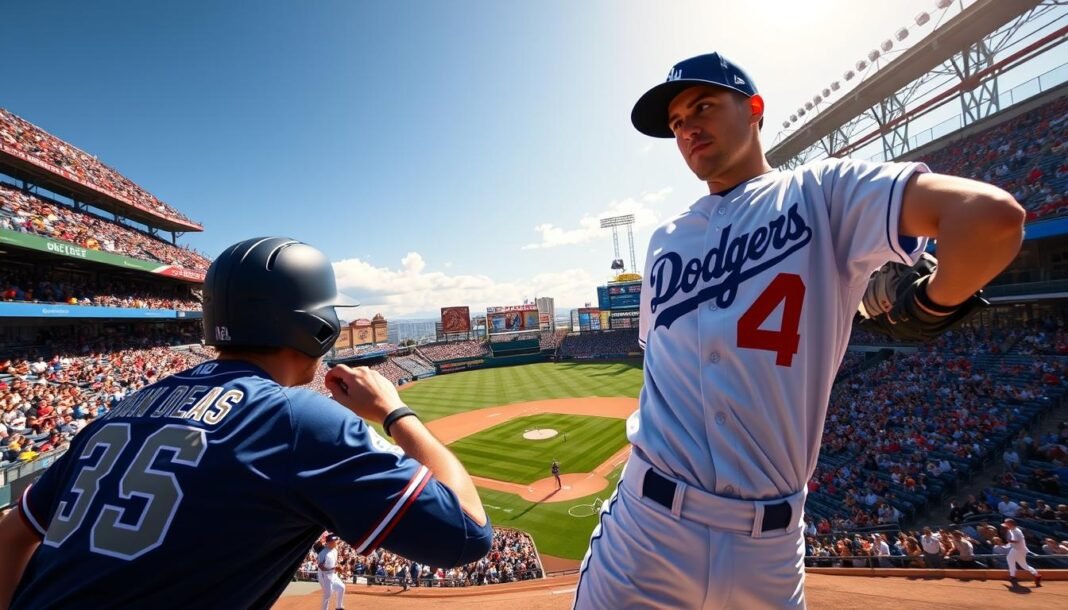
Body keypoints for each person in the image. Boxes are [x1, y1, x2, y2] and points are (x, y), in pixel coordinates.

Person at [573, 52, 1025, 609]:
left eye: (703, 107)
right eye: (676, 124)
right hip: (646, 532)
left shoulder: (824, 189)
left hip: (770, 550)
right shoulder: (666, 239)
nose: (687, 128)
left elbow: (993, 218)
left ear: (755, 109)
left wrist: (931, 306)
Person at [0, 237, 493, 608]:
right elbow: (468, 534)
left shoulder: (122, 408)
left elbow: (14, 532)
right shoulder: (296, 418)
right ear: (318, 326)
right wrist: (393, 411)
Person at [1002, 518, 1041, 587]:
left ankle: (1012, 576)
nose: (1005, 525)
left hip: (1017, 550)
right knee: (1023, 565)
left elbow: (1016, 541)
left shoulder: (1016, 531)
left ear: (1010, 524)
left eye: (1006, 524)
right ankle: (1036, 574)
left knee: (1010, 559)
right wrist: (1006, 545)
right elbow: (1013, 542)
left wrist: (1008, 541)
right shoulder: (1013, 530)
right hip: (1020, 549)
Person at [318, 534, 346, 610]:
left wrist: (338, 566)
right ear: (328, 542)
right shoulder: (323, 553)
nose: (336, 542)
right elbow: (321, 567)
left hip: (332, 574)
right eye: (334, 541)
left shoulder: (335, 550)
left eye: (335, 540)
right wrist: (335, 568)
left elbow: (334, 563)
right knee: (327, 595)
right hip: (324, 576)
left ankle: (339, 607)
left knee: (341, 587)